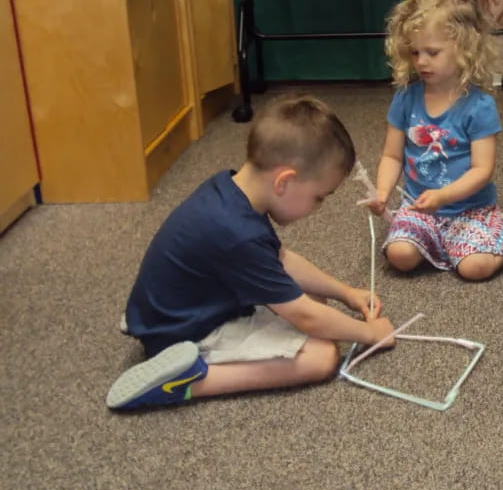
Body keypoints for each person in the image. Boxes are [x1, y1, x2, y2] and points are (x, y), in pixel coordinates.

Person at [106, 96, 395, 410]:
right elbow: (305, 316)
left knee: (316, 302)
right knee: (322, 356)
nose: (317, 208)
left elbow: (281, 259)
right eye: (318, 197)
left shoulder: (231, 190)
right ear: (284, 181)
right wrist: (369, 333)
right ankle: (187, 381)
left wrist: (345, 293)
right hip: (180, 332)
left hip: (172, 310)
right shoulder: (237, 234)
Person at [364, 0, 503, 281]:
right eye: (415, 52)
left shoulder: (478, 105)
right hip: (420, 207)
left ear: (464, 48)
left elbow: (482, 170)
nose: (421, 61)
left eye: (432, 52)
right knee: (399, 256)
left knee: (474, 269)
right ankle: (442, 243)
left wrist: (444, 196)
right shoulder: (406, 97)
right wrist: (382, 192)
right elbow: (392, 155)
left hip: (470, 209)